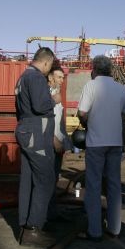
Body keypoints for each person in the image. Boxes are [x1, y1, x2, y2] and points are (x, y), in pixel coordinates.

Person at [77, 55, 125, 241]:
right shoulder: (120, 88)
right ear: (110, 70)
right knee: (114, 185)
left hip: (95, 143)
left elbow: (82, 113)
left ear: (94, 69)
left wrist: (88, 122)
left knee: (93, 186)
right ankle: (115, 229)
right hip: (115, 142)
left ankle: (95, 231)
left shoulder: (91, 86)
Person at [14, 47, 60, 247]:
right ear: (47, 62)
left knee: (28, 180)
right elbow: (41, 106)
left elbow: (20, 109)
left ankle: (25, 225)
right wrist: (53, 100)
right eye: (49, 66)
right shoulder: (37, 78)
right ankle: (33, 228)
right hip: (37, 135)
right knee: (46, 179)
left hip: (26, 131)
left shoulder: (22, 77)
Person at [46, 64, 73, 222]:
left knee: (54, 180)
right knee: (49, 182)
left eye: (63, 77)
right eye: (59, 77)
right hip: (51, 145)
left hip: (57, 145)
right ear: (50, 77)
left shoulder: (56, 93)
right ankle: (47, 216)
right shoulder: (48, 95)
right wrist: (54, 141)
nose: (62, 80)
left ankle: (52, 213)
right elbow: (45, 121)